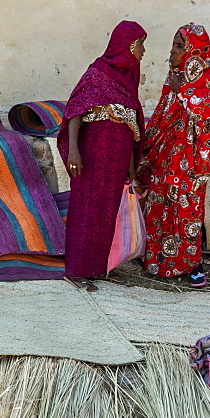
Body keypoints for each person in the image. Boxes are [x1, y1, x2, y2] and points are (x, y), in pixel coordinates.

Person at [57, 20, 147, 291]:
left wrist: (131, 163)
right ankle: (76, 269)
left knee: (108, 213)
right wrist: (73, 149)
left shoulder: (129, 78)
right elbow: (76, 111)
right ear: (128, 45)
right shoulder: (98, 72)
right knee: (87, 208)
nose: (143, 52)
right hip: (93, 154)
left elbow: (130, 123)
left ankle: (98, 267)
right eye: (141, 45)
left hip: (117, 157)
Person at [138, 23, 210, 287]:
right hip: (168, 153)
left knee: (186, 208)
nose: (173, 52)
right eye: (174, 45)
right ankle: (158, 259)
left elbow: (208, 122)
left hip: (191, 161)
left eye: (180, 46)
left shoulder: (206, 79)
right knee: (160, 201)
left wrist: (184, 94)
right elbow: (163, 110)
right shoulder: (175, 75)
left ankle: (192, 263)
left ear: (193, 50)